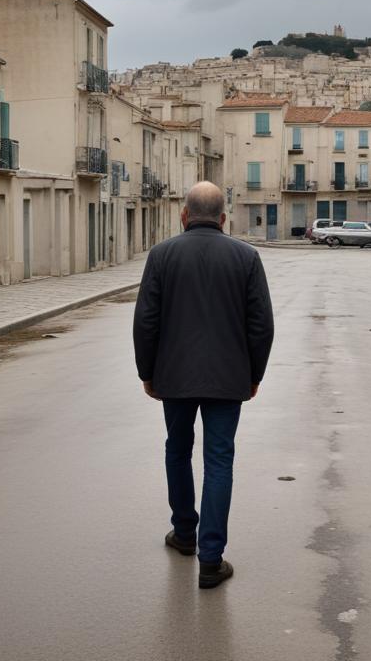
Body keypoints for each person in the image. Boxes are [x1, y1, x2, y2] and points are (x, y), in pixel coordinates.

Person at [133, 181, 274, 589]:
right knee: (219, 461)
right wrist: (254, 375)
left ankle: (184, 533)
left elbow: (146, 320)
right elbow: (261, 325)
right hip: (229, 380)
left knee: (177, 451)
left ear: (184, 215)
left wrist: (147, 372)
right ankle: (211, 560)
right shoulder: (246, 257)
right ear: (224, 219)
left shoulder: (161, 256)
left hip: (173, 378)